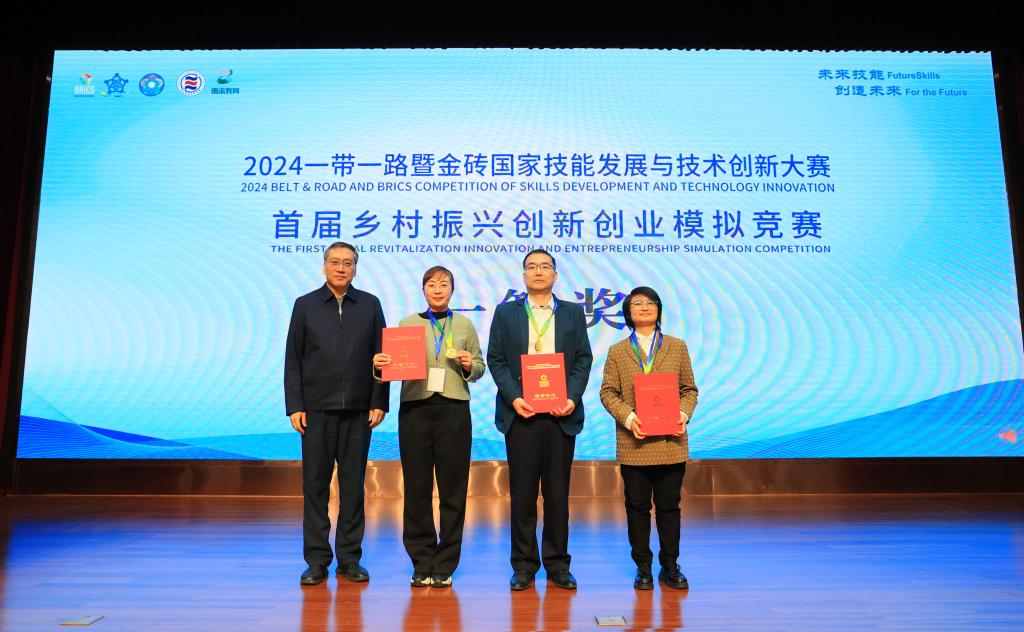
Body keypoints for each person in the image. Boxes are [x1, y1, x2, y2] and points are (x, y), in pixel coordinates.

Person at [372, 266, 486, 588]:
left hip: (454, 410)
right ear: (423, 290)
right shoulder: (407, 324)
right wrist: (380, 367)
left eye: (444, 284)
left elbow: (480, 366)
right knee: (417, 488)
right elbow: (390, 368)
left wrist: (469, 365)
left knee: (453, 489)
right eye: (432, 284)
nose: (438, 290)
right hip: (415, 409)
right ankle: (422, 561)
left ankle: (445, 563)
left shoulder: (464, 325)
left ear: (452, 290)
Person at [487, 249, 593, 591]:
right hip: (522, 414)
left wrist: (571, 397)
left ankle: (558, 564)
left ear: (555, 275)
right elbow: (496, 359)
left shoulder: (572, 312)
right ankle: (523, 565)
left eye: (545, 266)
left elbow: (583, 359)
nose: (538, 272)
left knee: (558, 494)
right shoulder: (506, 312)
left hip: (561, 414)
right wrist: (514, 397)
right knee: (522, 494)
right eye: (531, 267)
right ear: (523, 276)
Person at [285, 241, 389, 586]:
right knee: (315, 487)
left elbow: (383, 356)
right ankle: (316, 560)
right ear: (324, 266)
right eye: (335, 262)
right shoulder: (305, 305)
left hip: (359, 411)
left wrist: (379, 400)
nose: (341, 268)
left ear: (356, 268)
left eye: (348, 263)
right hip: (316, 411)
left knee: (353, 487)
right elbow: (293, 359)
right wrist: (295, 405)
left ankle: (349, 558)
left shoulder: (370, 305)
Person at [599, 286, 698, 591]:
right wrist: (630, 418)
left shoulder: (677, 346)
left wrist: (682, 414)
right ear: (628, 312)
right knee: (637, 507)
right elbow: (608, 393)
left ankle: (670, 565)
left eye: (650, 302)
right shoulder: (617, 351)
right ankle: (643, 566)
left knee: (669, 507)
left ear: (659, 309)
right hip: (635, 441)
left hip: (671, 441)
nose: (644, 307)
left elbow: (689, 390)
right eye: (637, 303)